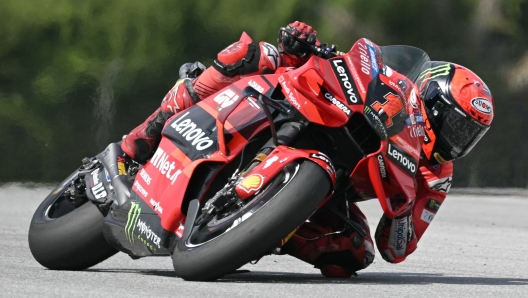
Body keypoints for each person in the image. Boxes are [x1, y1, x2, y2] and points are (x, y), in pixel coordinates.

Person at [121, 22, 495, 278]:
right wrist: (304, 43)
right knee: (254, 53)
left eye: (469, 135)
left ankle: (259, 231)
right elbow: (349, 65)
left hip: (333, 192)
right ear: (430, 99)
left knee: (353, 254)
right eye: (456, 124)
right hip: (301, 109)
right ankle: (148, 132)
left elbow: (397, 249)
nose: (458, 140)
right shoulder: (396, 83)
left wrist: (400, 215)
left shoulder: (437, 175)